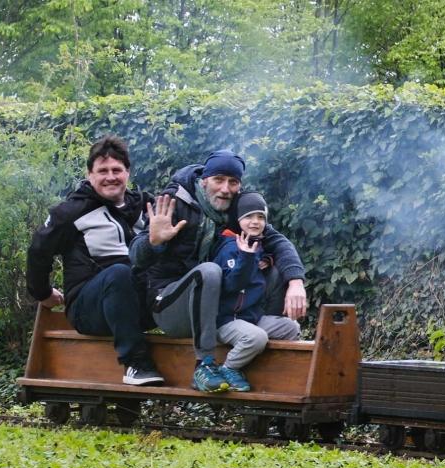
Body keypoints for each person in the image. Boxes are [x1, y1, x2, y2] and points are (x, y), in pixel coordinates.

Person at [130, 150, 308, 393]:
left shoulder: (236, 209)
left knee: (274, 269)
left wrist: (296, 281)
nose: (225, 189)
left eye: (233, 182)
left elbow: (278, 241)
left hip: (217, 311)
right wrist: (153, 241)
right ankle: (202, 365)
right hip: (170, 306)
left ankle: (257, 348)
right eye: (219, 180)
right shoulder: (175, 203)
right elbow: (135, 257)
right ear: (204, 180)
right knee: (210, 271)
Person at [26, 135, 164, 386]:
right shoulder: (71, 212)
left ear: (127, 173)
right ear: (90, 175)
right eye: (102, 171)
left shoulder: (146, 206)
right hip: (89, 309)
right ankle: (135, 363)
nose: (110, 176)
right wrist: (43, 293)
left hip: (139, 306)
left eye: (117, 170)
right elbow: (38, 251)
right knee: (120, 272)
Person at [211, 192, 303, 391]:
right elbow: (232, 284)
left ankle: (273, 372)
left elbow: (278, 250)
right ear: (237, 219)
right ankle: (228, 368)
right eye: (249, 216)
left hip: (251, 317)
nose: (255, 222)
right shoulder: (228, 247)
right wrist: (246, 258)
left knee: (291, 327)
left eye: (261, 217)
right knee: (256, 337)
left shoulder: (257, 245)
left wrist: (267, 261)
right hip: (227, 320)